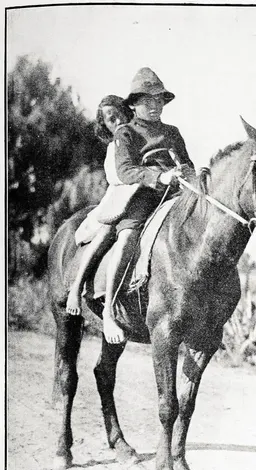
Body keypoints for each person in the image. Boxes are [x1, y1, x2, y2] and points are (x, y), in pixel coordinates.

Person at [68, 68, 195, 345]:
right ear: (134, 105)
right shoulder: (126, 133)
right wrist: (158, 176)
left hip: (175, 196)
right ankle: (111, 312)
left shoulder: (173, 132)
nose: (154, 106)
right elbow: (125, 171)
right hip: (141, 197)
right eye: (147, 101)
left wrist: (187, 174)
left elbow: (187, 163)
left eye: (159, 100)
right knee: (126, 237)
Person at [66, 95, 134, 317]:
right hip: (120, 197)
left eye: (119, 115)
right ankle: (77, 287)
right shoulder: (114, 146)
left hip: (145, 193)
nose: (117, 121)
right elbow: (116, 176)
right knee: (107, 231)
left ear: (127, 112)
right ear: (105, 124)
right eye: (110, 119)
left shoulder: (138, 137)